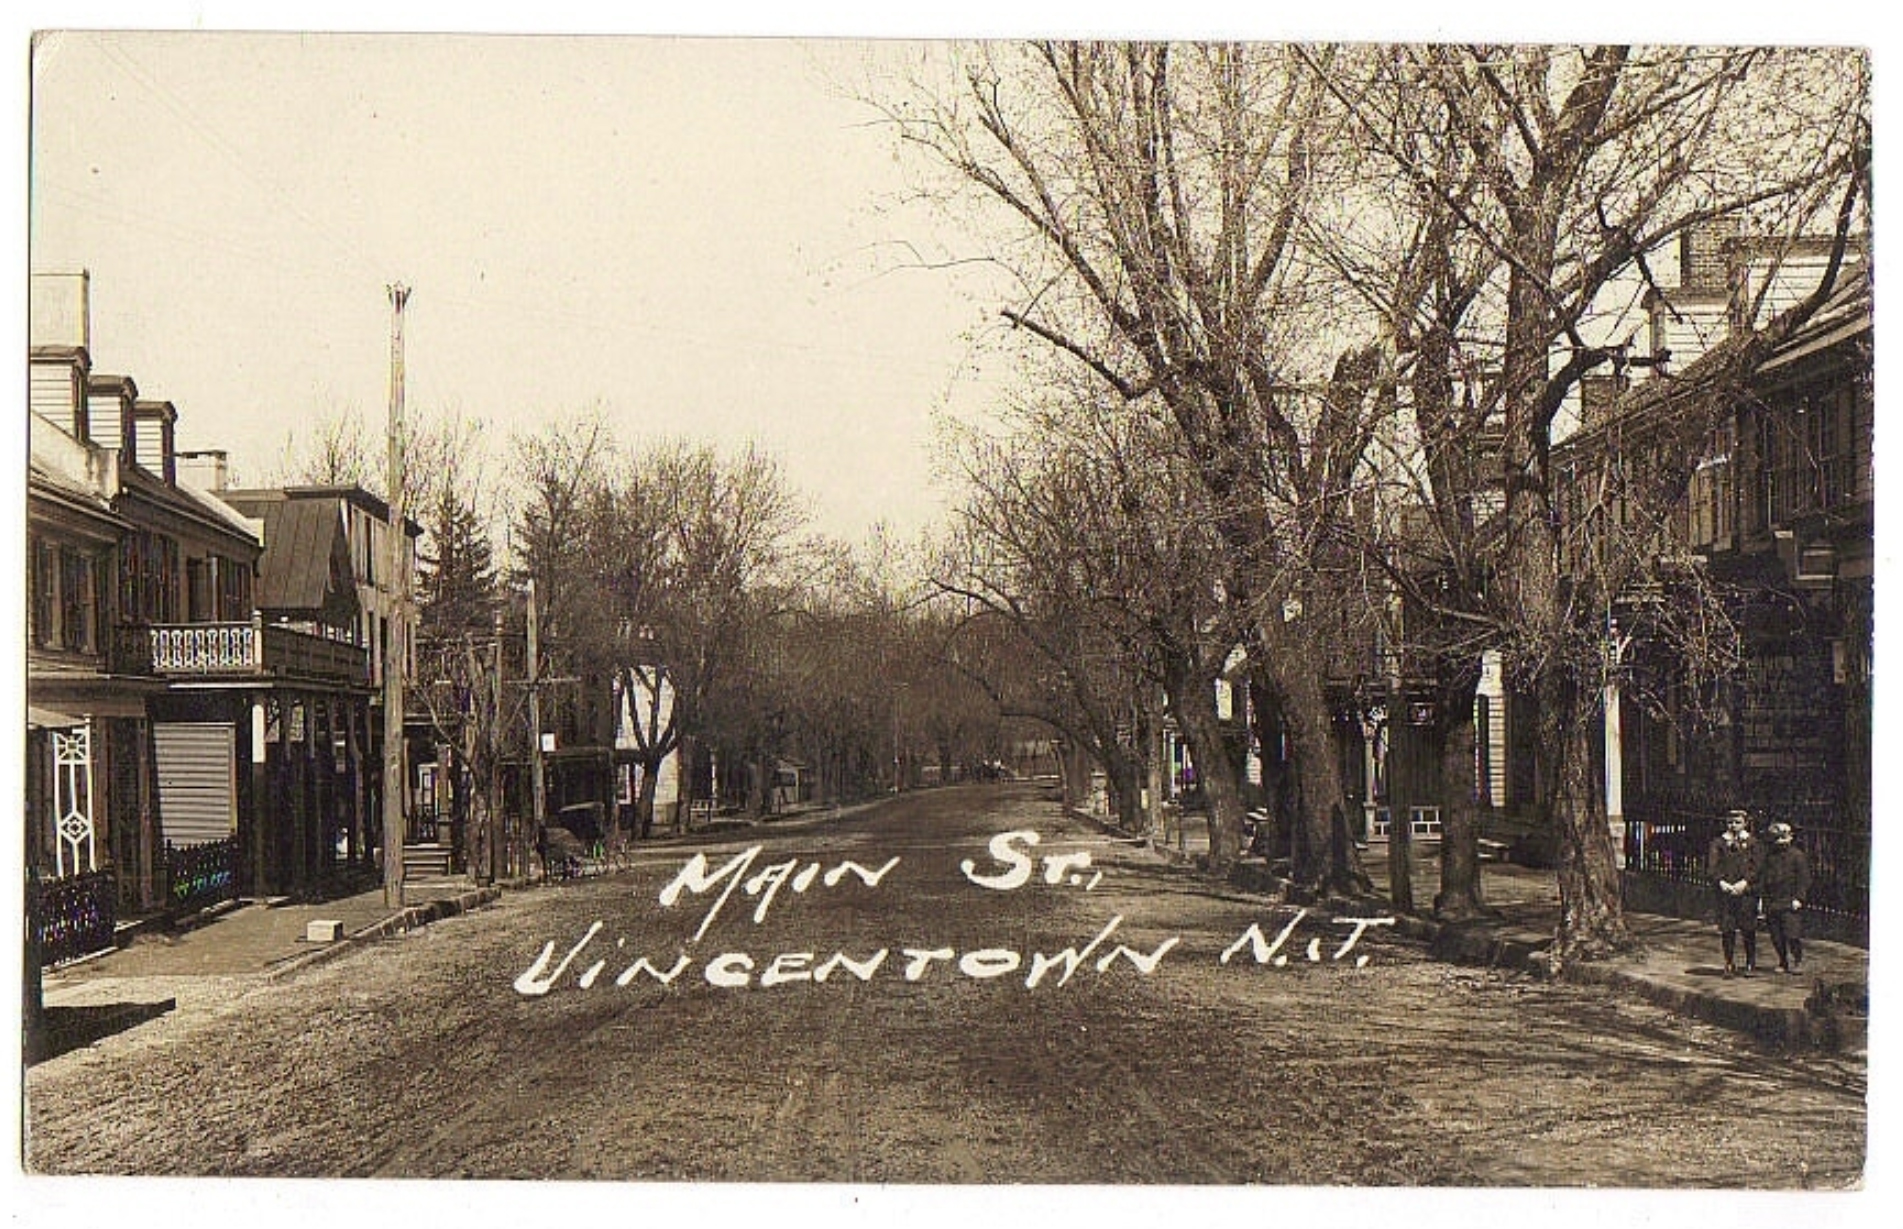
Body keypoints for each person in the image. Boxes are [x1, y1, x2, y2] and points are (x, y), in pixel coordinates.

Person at [1707, 808, 1762, 976]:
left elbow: (1758, 867)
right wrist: (1721, 882)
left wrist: (1745, 882)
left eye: (1738, 822)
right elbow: (1712, 866)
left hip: (1746, 892)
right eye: (1730, 822)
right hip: (1726, 892)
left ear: (1745, 823)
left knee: (1748, 928)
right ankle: (1729, 962)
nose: (1734, 825)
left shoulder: (1753, 843)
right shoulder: (1718, 843)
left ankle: (1750, 963)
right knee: (1727, 929)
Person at [1759, 821, 1813, 975]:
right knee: (1776, 935)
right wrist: (1762, 899)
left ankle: (1797, 960)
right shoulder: (1768, 856)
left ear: (1790, 838)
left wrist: (1799, 898)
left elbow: (1804, 879)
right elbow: (1763, 878)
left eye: (1783, 837)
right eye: (1776, 838)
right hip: (1772, 899)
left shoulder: (1797, 856)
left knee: (1792, 933)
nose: (1780, 842)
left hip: (1790, 900)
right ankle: (1782, 960)